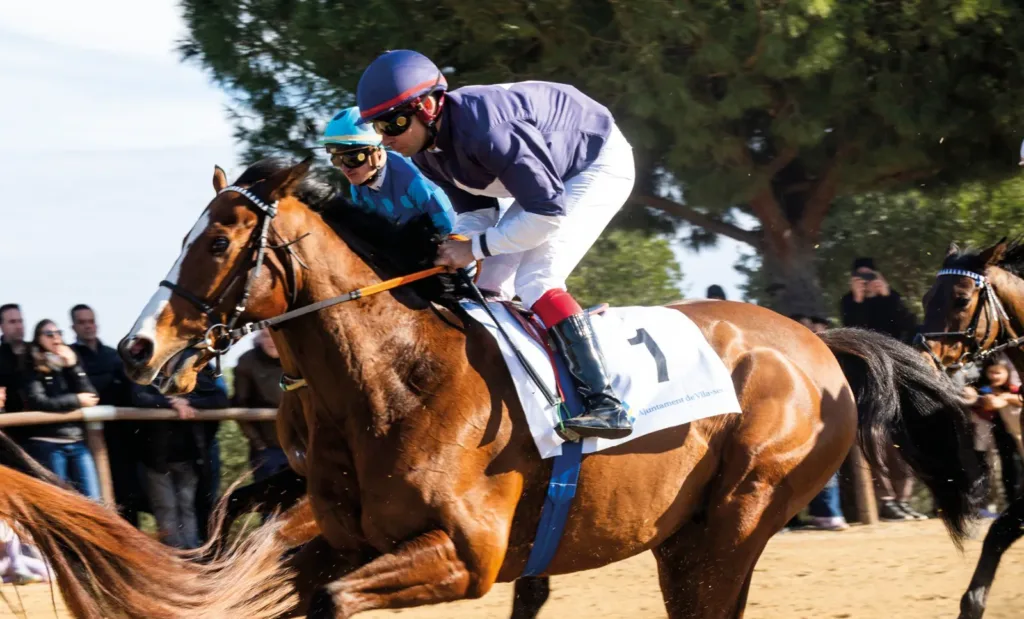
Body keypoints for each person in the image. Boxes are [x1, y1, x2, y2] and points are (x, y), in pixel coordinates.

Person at [356, 50, 636, 440]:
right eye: (377, 127)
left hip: (592, 162)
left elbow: (547, 216)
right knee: (488, 286)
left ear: (428, 106)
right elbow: (479, 213)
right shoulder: (423, 150)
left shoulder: (488, 131)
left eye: (393, 123)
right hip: (546, 179)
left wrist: (473, 249)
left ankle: (605, 404)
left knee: (537, 279)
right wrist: (455, 243)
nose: (385, 139)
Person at [132, 366, 228, 549]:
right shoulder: (148, 370)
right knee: (166, 507)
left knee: (187, 506)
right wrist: (172, 403)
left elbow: (220, 399)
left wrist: (188, 402)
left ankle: (191, 552)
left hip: (189, 458)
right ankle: (174, 554)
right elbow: (138, 397)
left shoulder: (198, 369)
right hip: (155, 459)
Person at [320, 106, 455, 235]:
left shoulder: (416, 181)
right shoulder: (358, 188)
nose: (345, 169)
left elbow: (452, 230)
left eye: (352, 159)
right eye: (337, 160)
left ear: (376, 153)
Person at [70, 304, 145, 525]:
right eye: (82, 322)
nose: (88, 326)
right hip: (87, 439)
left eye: (91, 321)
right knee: (95, 496)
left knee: (128, 494)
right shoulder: (72, 358)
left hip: (121, 438)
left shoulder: (113, 355)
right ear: (74, 327)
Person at [18, 319, 102, 500]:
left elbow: (91, 396)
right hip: (48, 444)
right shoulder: (32, 365)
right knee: (61, 500)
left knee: (94, 500)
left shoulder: (69, 363)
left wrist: (73, 366)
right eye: (49, 334)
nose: (55, 338)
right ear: (38, 339)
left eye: (58, 333)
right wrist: (76, 399)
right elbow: (38, 401)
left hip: (77, 441)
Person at [233, 331, 289, 482]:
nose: (272, 341)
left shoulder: (296, 358)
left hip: (301, 443)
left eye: (277, 336)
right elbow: (239, 404)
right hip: (267, 446)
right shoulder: (247, 361)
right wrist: (259, 444)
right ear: (259, 339)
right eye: (266, 336)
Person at [973, 356, 1024, 508]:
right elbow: (982, 395)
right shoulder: (988, 388)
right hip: (1012, 434)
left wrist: (1006, 397)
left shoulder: (1014, 388)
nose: (994, 376)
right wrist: (985, 399)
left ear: (1007, 373)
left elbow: (1017, 397)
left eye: (998, 373)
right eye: (991, 373)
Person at [839, 257, 918, 343]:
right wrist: (858, 301)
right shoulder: (849, 300)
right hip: (865, 347)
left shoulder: (890, 296)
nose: (865, 281)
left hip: (892, 345)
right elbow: (852, 331)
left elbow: (909, 325)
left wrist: (888, 297)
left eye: (869, 276)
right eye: (860, 276)